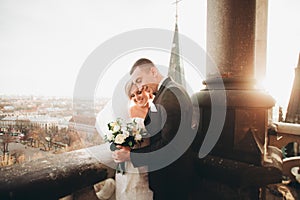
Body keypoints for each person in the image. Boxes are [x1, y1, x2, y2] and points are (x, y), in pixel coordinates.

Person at [113, 58, 195, 200]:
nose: (139, 87)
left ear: (153, 71)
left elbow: (170, 147)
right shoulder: (168, 91)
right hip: (171, 177)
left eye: (139, 80)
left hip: (171, 180)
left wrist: (131, 156)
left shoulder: (171, 95)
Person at [114, 81, 154, 200]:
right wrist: (122, 146)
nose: (137, 97)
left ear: (147, 90)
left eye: (139, 92)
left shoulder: (156, 111)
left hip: (146, 165)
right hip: (129, 165)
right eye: (132, 96)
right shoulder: (130, 111)